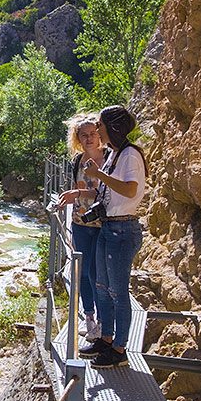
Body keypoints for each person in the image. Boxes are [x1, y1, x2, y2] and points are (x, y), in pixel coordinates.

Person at [60, 105, 147, 368]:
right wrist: (82, 194)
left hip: (123, 229)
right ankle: (106, 339)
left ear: (112, 127)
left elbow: (130, 191)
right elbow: (105, 194)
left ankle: (119, 349)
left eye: (100, 126)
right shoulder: (116, 155)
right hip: (110, 227)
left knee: (118, 293)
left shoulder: (130, 155)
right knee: (102, 288)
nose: (96, 131)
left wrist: (98, 175)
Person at [56, 114, 110, 341]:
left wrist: (77, 193)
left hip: (103, 224)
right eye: (84, 135)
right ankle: (89, 319)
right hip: (80, 223)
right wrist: (71, 197)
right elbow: (76, 186)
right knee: (84, 272)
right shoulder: (77, 161)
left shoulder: (110, 158)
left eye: (92, 134)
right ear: (77, 138)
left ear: (100, 134)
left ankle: (103, 322)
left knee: (98, 274)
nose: (89, 139)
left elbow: (109, 191)